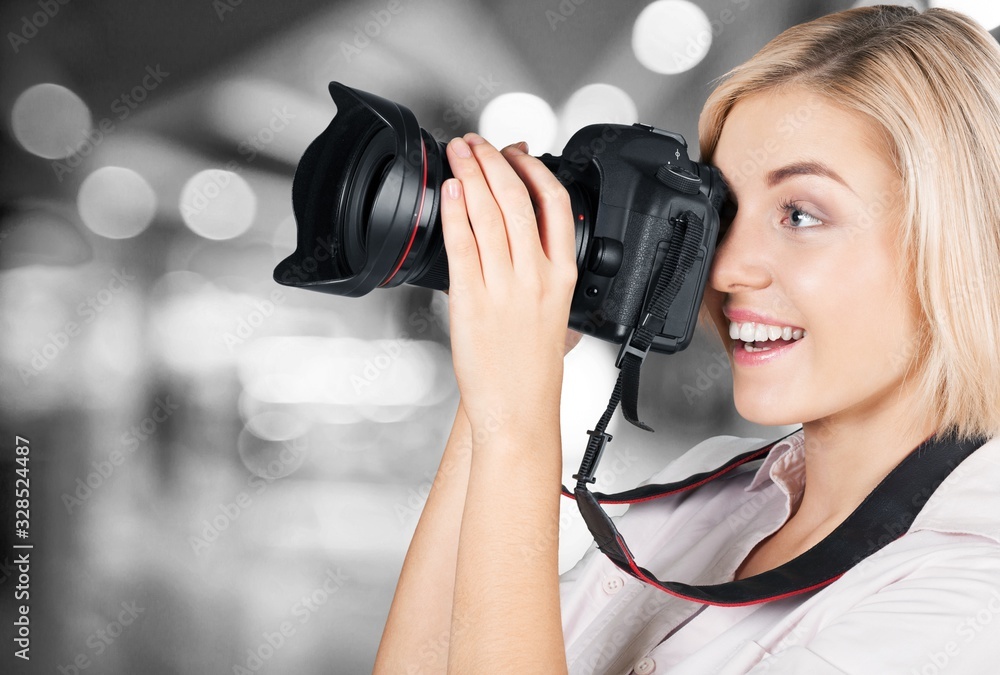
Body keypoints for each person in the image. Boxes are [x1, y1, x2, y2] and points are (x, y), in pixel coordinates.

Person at [373, 5, 1000, 673]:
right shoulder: (706, 495)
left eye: (799, 212)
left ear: (958, 242)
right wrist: (492, 390)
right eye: (725, 213)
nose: (727, 269)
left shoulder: (970, 598)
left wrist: (517, 427)